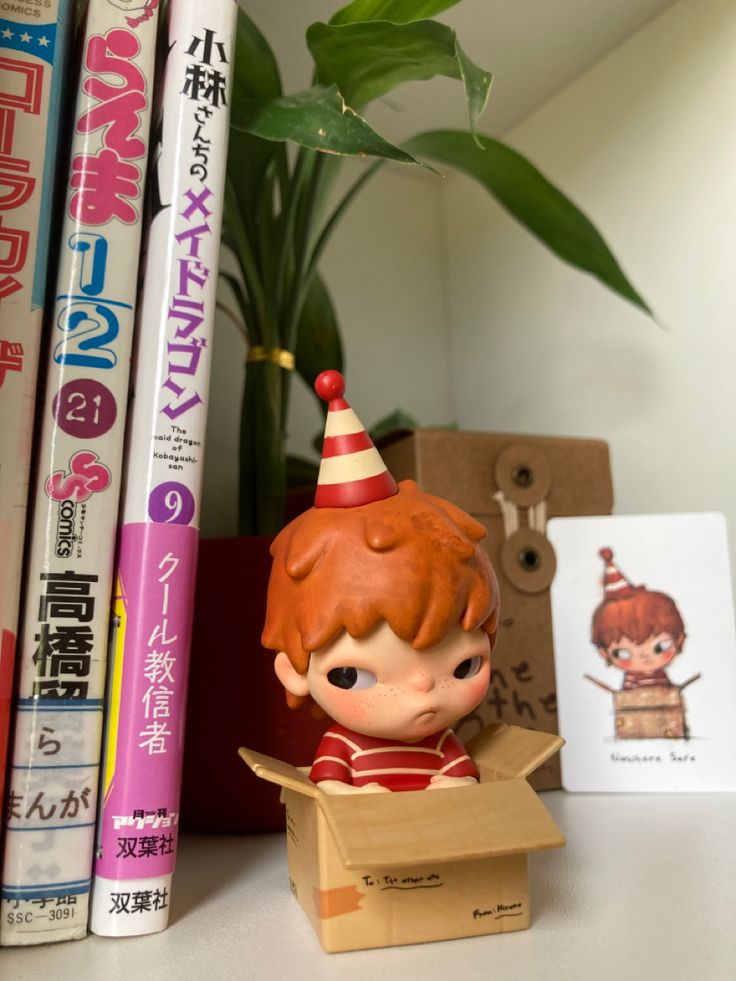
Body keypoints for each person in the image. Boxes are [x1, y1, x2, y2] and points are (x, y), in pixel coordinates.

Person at [262, 371, 500, 793]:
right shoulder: (342, 746)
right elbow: (330, 789)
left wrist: (455, 788)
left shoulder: (443, 743)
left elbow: (463, 778)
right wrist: (359, 799)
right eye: (352, 676)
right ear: (294, 672)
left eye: (464, 666)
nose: (424, 688)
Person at [591, 547, 685, 690]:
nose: (645, 656)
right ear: (604, 653)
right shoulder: (631, 682)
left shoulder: (662, 677)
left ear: (679, 639)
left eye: (661, 647)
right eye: (623, 653)